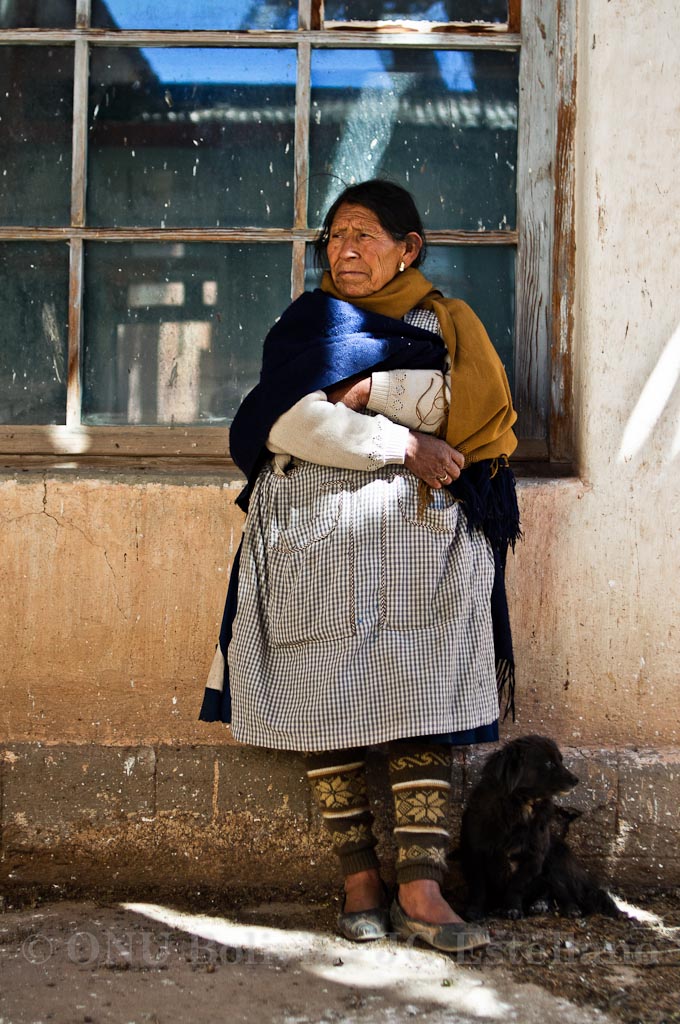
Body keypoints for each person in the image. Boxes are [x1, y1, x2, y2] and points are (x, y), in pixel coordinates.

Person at [200, 179, 520, 953]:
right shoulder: (308, 325)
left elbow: (474, 409)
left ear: (409, 248)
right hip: (313, 540)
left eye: (365, 235)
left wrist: (375, 387)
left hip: (422, 546)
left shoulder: (446, 321)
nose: (344, 250)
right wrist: (402, 441)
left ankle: (421, 885)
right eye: (335, 236)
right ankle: (358, 878)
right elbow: (284, 419)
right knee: (322, 691)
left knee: (423, 693)